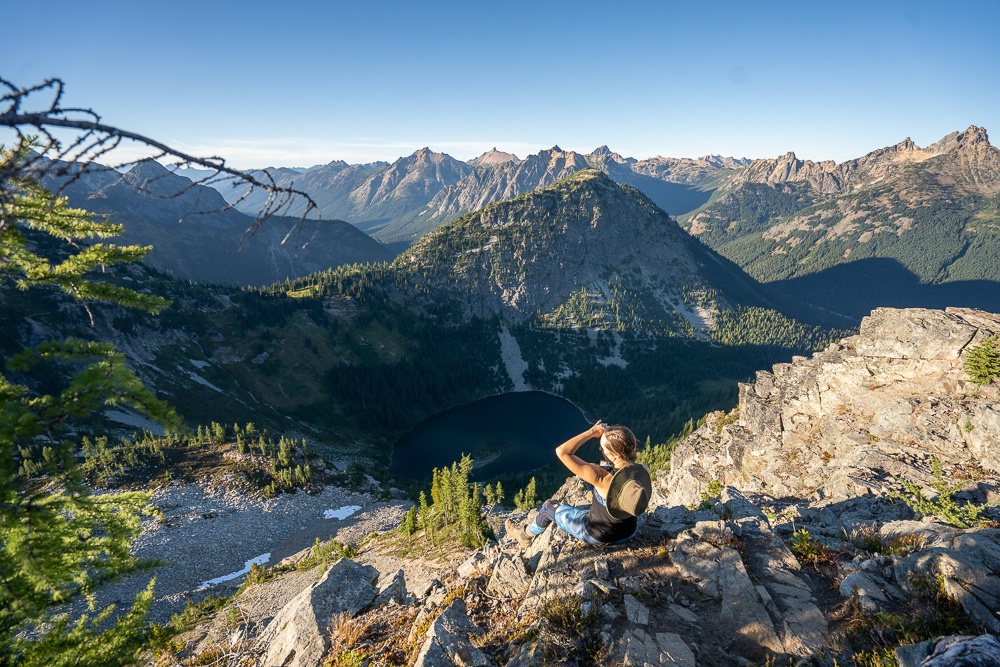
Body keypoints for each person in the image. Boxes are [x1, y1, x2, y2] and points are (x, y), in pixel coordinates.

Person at [506, 421, 652, 548]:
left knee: (548, 508)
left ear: (616, 455)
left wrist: (592, 432)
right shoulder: (643, 471)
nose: (600, 451)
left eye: (602, 449)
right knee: (589, 481)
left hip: (598, 535)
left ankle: (525, 535)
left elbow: (562, 452)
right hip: (629, 532)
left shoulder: (601, 477)